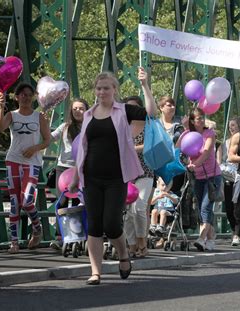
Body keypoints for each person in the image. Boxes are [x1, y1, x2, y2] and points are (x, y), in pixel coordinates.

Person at [68, 70, 152, 285]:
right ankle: (95, 272)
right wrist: (76, 176)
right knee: (94, 225)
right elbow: (82, 149)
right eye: (98, 88)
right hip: (91, 176)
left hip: (116, 176)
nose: (102, 91)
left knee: (112, 224)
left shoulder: (124, 111)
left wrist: (144, 85)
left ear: (115, 89)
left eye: (106, 88)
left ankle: (123, 254)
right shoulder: (88, 115)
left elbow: (150, 113)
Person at [0, 83, 51, 253]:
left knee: (27, 200)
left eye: (29, 94)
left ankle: (37, 228)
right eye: (22, 95)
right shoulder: (12, 115)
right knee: (14, 202)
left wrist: (34, 148)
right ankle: (14, 241)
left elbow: (47, 140)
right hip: (13, 160)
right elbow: (0, 127)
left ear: (33, 97)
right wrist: (0, 107)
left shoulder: (39, 117)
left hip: (32, 162)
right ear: (16, 97)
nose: (26, 98)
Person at [176, 108, 222, 252]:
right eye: (197, 118)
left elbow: (207, 152)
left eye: (202, 117)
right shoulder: (188, 134)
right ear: (192, 121)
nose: (201, 120)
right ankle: (211, 237)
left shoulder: (209, 133)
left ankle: (201, 239)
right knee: (202, 208)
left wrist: (194, 164)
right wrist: (185, 129)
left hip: (212, 176)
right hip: (197, 177)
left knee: (205, 208)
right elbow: (178, 147)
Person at [50, 98, 89, 250]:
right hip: (64, 169)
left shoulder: (90, 127)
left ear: (87, 110)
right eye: (75, 109)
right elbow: (50, 137)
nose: (78, 111)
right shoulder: (65, 127)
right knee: (62, 201)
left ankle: (78, 237)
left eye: (81, 108)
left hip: (82, 170)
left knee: (79, 203)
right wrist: (42, 125)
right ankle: (60, 237)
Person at [122, 93, 155, 258]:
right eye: (128, 107)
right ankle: (132, 244)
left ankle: (142, 240)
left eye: (135, 107)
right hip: (127, 172)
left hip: (145, 170)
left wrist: (132, 149)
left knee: (139, 207)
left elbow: (151, 145)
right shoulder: (121, 125)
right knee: (127, 212)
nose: (131, 110)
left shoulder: (148, 124)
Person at [217, 117, 240, 245]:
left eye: (234, 125)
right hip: (228, 177)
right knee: (228, 207)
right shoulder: (224, 143)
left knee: (238, 207)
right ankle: (234, 229)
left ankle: (237, 233)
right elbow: (219, 161)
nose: (231, 128)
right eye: (230, 126)